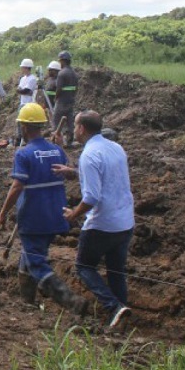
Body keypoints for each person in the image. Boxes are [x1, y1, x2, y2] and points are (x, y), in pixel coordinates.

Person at [0, 103, 86, 313]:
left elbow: (17, 186)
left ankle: (71, 300)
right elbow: (71, 172)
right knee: (31, 255)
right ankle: (27, 302)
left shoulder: (23, 154)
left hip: (33, 216)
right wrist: (59, 147)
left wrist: (2, 214)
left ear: (24, 128)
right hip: (56, 214)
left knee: (36, 262)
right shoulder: (56, 150)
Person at [52, 110, 135, 330]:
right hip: (125, 221)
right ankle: (121, 312)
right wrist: (74, 170)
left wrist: (73, 214)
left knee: (84, 266)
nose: (73, 129)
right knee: (116, 270)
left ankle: (112, 306)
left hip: (102, 224)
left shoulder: (89, 156)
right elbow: (105, 174)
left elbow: (91, 197)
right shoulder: (115, 147)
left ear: (81, 129)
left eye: (75, 125)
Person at [54, 51, 78, 146]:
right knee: (69, 120)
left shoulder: (61, 73)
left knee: (56, 120)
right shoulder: (74, 73)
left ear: (62, 61)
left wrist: (56, 98)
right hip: (70, 100)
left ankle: (57, 139)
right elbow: (76, 88)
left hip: (62, 100)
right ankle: (70, 139)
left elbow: (59, 88)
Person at [15, 59, 39, 146]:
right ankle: (19, 137)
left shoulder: (32, 79)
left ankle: (26, 139)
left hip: (28, 104)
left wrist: (21, 91)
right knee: (19, 121)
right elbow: (20, 89)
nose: (21, 69)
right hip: (22, 103)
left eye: (22, 68)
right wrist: (22, 91)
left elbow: (26, 91)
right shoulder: (23, 79)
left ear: (26, 68)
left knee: (27, 122)